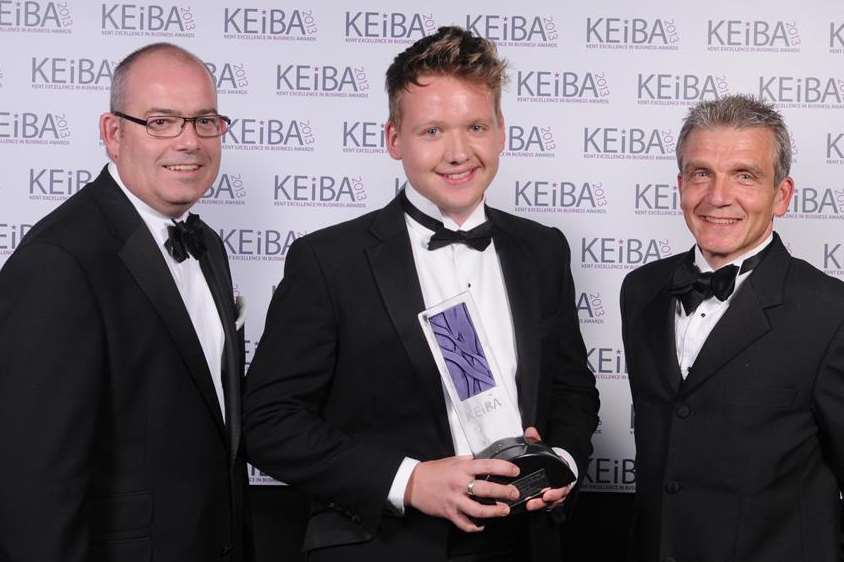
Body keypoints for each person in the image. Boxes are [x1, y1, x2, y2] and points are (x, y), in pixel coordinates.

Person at [244, 26, 599, 562]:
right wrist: (408, 481)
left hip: (521, 544)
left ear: (501, 131)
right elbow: (267, 422)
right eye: (432, 131)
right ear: (394, 139)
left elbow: (574, 391)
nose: (459, 152)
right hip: (384, 545)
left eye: (475, 126)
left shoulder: (542, 250)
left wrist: (562, 463)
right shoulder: (328, 262)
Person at [0, 43, 248, 562]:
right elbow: (35, 487)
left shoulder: (208, 248)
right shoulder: (60, 262)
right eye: (161, 121)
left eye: (205, 121)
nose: (190, 142)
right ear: (113, 134)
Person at [621, 94, 844, 562]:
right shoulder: (640, 290)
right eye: (702, 173)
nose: (718, 196)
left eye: (745, 175)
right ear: (681, 185)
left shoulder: (830, 311)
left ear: (781, 195)